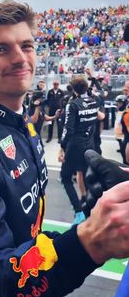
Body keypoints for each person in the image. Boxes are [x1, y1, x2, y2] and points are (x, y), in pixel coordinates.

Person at [0, 0, 129, 297]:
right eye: (1, 49)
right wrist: (90, 240)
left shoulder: (20, 119)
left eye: (26, 45)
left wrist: (96, 208)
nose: (20, 58)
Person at [58, 75, 105, 225]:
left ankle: (79, 213)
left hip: (74, 146)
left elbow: (68, 129)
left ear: (73, 89)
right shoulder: (94, 101)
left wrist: (62, 147)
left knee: (65, 178)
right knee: (86, 178)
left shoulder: (73, 105)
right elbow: (96, 120)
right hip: (88, 145)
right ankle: (92, 211)